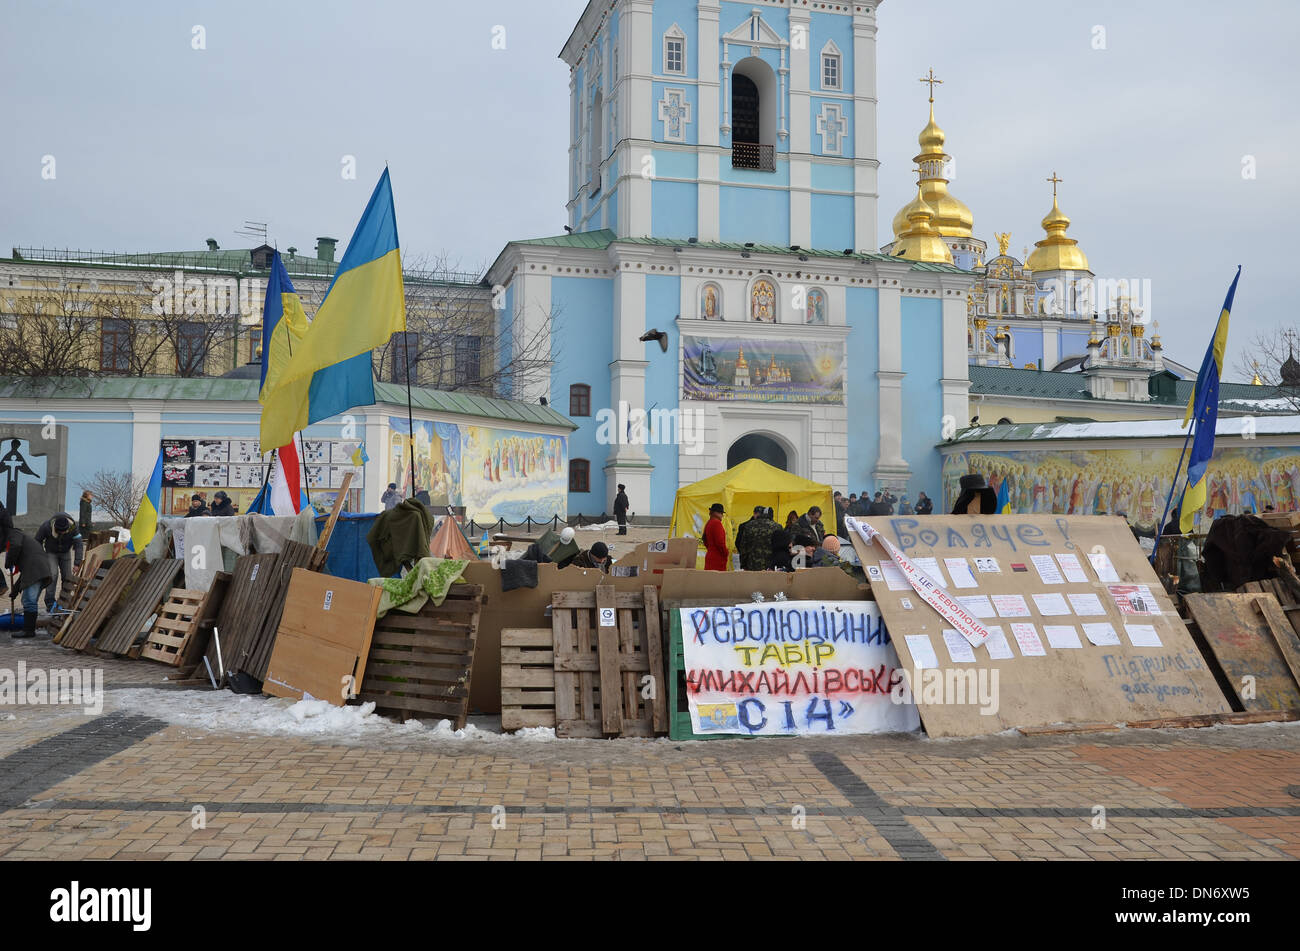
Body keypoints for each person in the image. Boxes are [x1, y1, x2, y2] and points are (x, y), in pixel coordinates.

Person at [6, 523, 53, 638]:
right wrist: (15, 591)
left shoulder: (14, 533)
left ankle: (29, 631)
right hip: (40, 570)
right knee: (29, 600)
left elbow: (15, 546)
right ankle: (28, 630)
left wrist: (9, 561)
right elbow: (25, 574)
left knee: (29, 601)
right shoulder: (24, 540)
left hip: (37, 570)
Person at [35, 512, 84, 613]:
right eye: (60, 532)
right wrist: (41, 555)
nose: (62, 533)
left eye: (64, 531)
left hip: (65, 552)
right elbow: (37, 541)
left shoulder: (73, 528)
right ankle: (49, 602)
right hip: (50, 552)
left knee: (67, 577)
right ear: (55, 528)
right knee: (52, 575)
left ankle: (64, 601)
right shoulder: (46, 526)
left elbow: (79, 545)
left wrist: (77, 563)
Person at [737, 506, 778, 571]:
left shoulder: (749, 525)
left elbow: (743, 547)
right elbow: (779, 547)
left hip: (751, 565)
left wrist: (743, 564)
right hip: (770, 566)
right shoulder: (777, 527)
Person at [703, 502, 729, 571]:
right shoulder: (717, 523)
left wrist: (710, 549)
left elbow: (704, 540)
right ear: (717, 513)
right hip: (717, 559)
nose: (722, 516)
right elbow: (720, 543)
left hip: (710, 556)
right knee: (718, 580)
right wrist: (726, 553)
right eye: (721, 513)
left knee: (709, 580)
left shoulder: (708, 523)